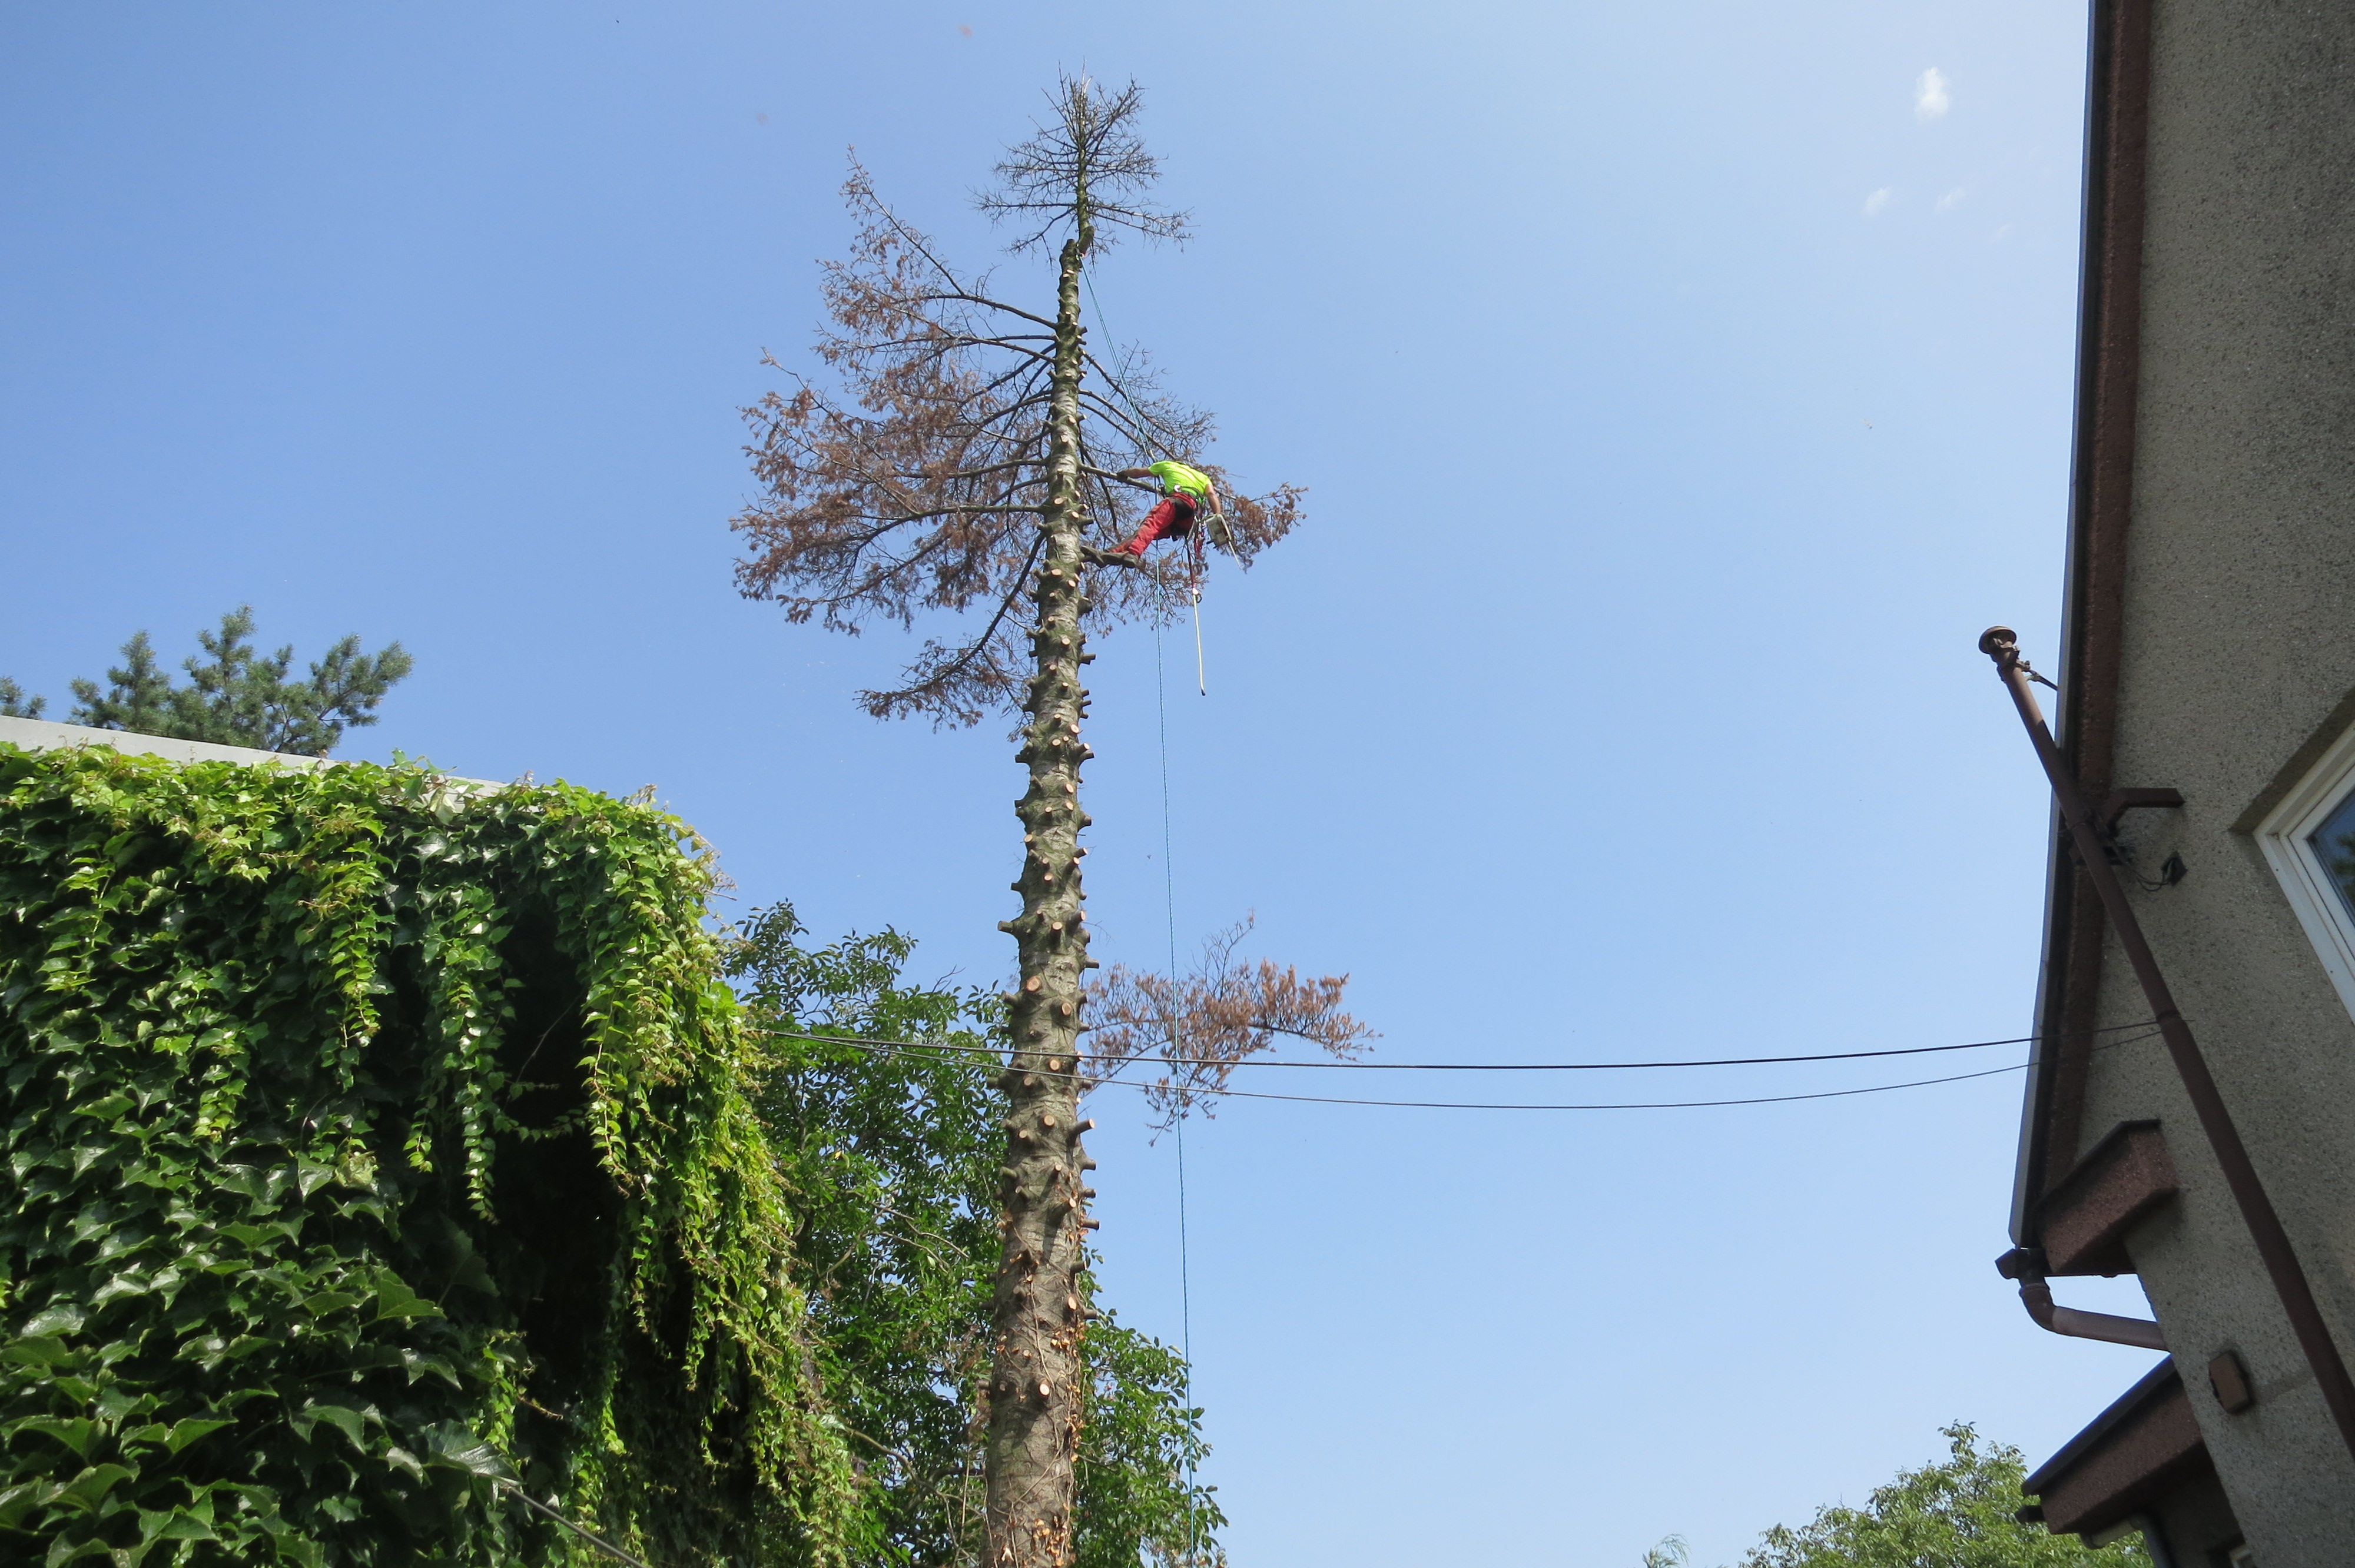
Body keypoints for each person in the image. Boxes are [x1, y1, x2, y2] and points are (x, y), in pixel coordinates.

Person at [1115, 460, 1219, 557]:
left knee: (1151, 524)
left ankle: (1133, 553)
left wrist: (1123, 473)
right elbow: (1211, 494)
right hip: (1189, 520)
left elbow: (1138, 472)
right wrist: (1218, 516)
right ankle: (1114, 552)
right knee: (1146, 533)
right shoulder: (1203, 477)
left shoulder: (1168, 465)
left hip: (1179, 500)